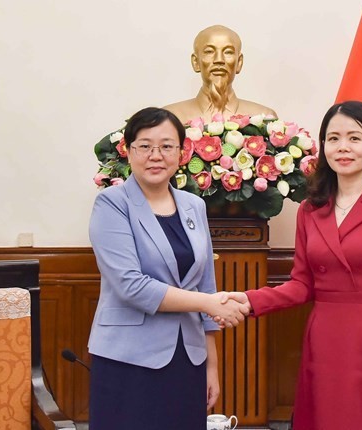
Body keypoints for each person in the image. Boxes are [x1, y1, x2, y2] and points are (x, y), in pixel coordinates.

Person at [224, 101, 362, 429]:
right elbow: (302, 285)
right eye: (334, 138)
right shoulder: (310, 210)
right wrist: (248, 301)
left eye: (354, 138)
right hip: (325, 344)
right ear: (324, 147)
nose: (343, 147)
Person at [88, 107, 249, 429]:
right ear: (128, 151)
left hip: (187, 358)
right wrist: (209, 303)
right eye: (145, 146)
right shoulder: (111, 204)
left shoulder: (194, 205)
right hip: (128, 358)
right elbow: (131, 285)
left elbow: (205, 283)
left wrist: (211, 366)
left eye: (166, 146)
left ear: (181, 152)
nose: (155, 155)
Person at [163, 25, 277, 124]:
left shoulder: (264, 118)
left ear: (239, 62)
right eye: (209, 52)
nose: (219, 60)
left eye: (228, 52)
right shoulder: (170, 118)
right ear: (196, 62)